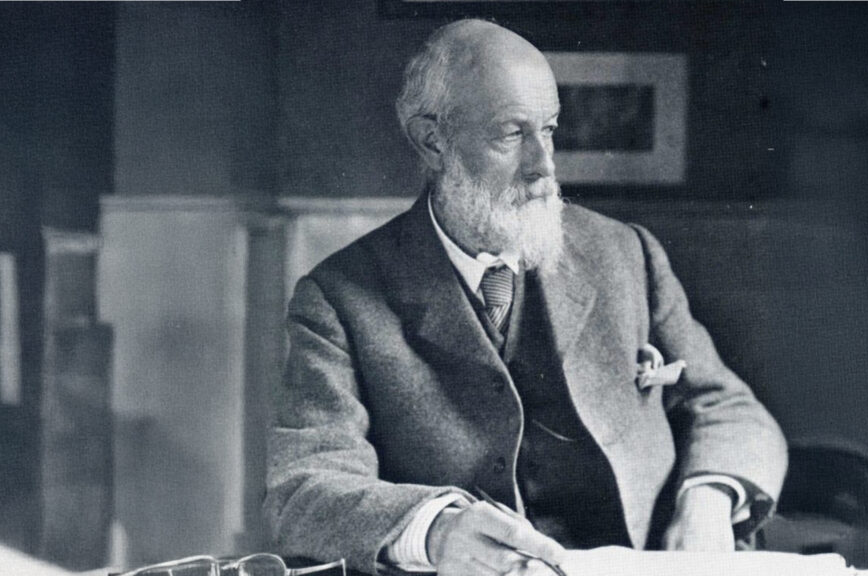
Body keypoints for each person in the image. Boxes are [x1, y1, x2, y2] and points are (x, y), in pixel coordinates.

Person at [264, 19, 787, 576]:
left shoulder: (625, 254)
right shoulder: (339, 298)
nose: (544, 165)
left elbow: (728, 406)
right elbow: (305, 486)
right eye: (511, 135)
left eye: (550, 130)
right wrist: (436, 532)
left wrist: (708, 497)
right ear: (432, 140)